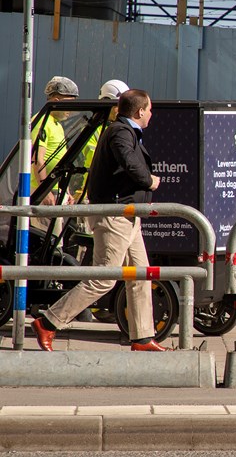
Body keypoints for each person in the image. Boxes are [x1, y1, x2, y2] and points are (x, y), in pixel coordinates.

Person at [30, 89, 168, 351]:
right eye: (149, 109)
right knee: (104, 277)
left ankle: (142, 337)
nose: (151, 114)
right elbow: (129, 162)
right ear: (139, 111)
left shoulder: (126, 132)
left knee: (140, 275)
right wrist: (149, 180)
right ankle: (49, 322)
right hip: (115, 214)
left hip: (129, 215)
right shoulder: (120, 132)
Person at [32, 76, 80, 206]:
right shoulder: (42, 122)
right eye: (69, 103)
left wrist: (66, 191)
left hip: (54, 189)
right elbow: (38, 159)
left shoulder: (57, 125)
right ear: (56, 100)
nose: (71, 109)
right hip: (42, 189)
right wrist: (44, 191)